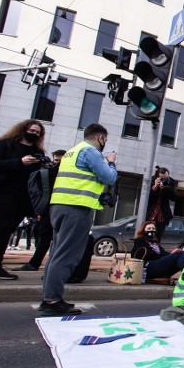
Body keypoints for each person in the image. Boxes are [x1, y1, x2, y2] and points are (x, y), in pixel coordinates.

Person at [39, 124, 118, 316]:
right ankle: (52, 301)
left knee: (57, 253)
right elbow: (109, 178)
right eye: (105, 140)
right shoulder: (91, 152)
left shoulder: (71, 152)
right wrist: (111, 162)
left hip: (59, 205)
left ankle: (49, 297)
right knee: (67, 255)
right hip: (76, 208)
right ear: (100, 138)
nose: (104, 144)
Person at [0, 119, 46, 284]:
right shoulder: (5, 144)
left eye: (38, 133)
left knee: (8, 230)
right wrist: (19, 162)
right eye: (32, 130)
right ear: (23, 129)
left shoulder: (37, 150)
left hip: (24, 196)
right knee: (0, 229)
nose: (34, 134)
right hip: (5, 193)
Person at [15, 149, 65, 273]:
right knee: (45, 237)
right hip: (48, 209)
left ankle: (44, 265)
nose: (57, 163)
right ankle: (35, 263)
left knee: (56, 239)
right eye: (56, 160)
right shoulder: (47, 170)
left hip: (59, 207)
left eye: (60, 160)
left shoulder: (62, 171)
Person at [146, 167, 176, 241]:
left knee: (157, 238)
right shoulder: (151, 180)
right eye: (162, 178)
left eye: (166, 177)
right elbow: (145, 197)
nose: (164, 180)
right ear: (157, 177)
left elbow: (174, 198)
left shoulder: (170, 182)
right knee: (146, 237)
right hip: (150, 214)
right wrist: (155, 187)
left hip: (162, 216)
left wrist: (166, 188)